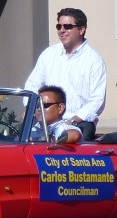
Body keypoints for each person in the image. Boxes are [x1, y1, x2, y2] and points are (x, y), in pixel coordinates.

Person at [24, 8, 106, 141]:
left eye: (67, 26)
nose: (62, 30)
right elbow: (32, 85)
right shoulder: (49, 54)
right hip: (43, 123)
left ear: (81, 29)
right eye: (59, 26)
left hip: (75, 125)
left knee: (64, 138)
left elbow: (97, 101)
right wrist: (31, 108)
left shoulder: (94, 60)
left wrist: (73, 121)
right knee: (15, 141)